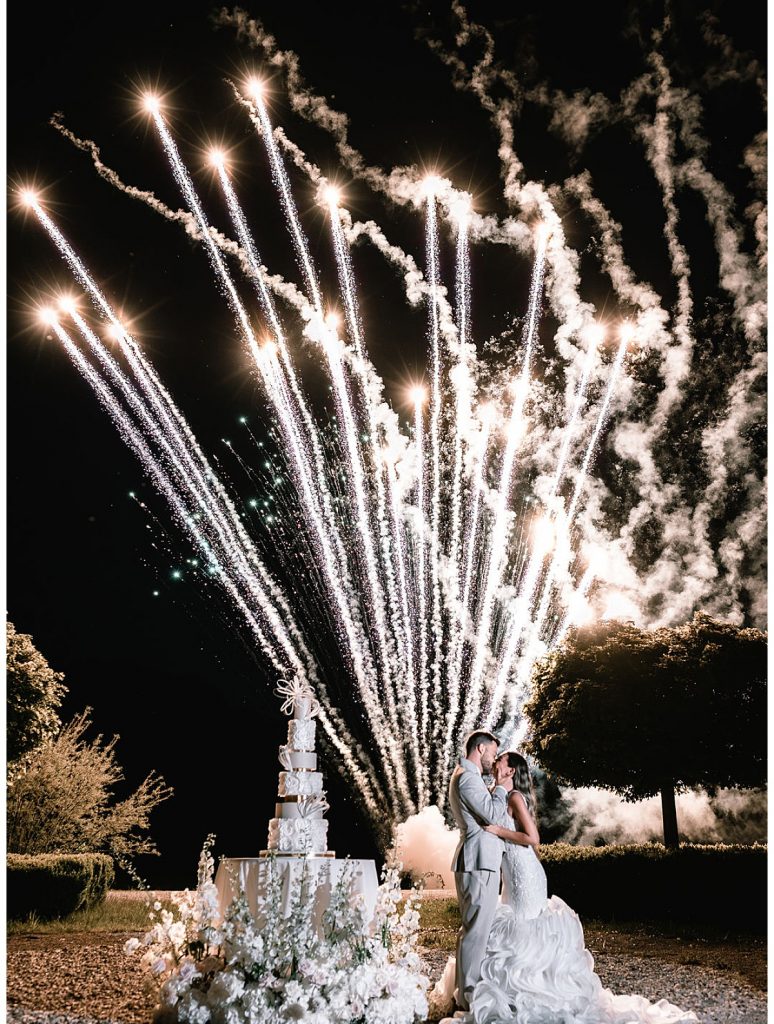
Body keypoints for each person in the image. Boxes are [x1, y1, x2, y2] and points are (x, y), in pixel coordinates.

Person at [437, 751, 698, 1024]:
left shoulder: (514, 797)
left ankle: (529, 993)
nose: (495, 761)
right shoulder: (496, 793)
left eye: (500, 759)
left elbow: (532, 837)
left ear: (511, 770)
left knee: (525, 927)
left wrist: (498, 831)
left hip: (525, 873)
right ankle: (500, 992)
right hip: (509, 871)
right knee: (506, 923)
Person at [447, 730, 515, 1013]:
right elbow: (493, 815)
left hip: (480, 862)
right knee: (475, 932)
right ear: (480, 748)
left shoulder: (469, 777)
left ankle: (465, 993)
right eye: (492, 752)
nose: (493, 759)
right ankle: (469, 998)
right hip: (477, 863)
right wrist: (500, 788)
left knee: (475, 930)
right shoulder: (467, 778)